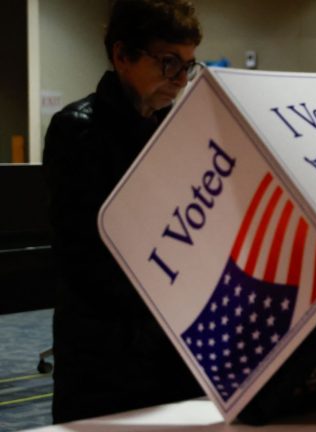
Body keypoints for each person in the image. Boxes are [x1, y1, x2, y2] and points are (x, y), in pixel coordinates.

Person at [43, 0, 204, 423]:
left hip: (164, 332)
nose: (182, 79)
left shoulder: (174, 127)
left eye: (189, 65)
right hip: (108, 349)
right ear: (122, 56)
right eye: (169, 63)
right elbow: (86, 261)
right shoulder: (78, 129)